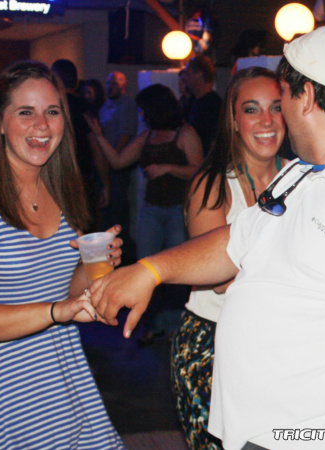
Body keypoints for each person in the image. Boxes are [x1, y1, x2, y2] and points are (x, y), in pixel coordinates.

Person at [88, 26, 325, 450]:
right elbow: (238, 240)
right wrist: (151, 270)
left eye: (283, 98)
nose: (279, 116)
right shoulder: (303, 173)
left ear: (305, 96)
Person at [0, 60, 125, 449]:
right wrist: (57, 312)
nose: (42, 125)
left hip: (54, 366)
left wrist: (96, 262)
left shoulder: (62, 186)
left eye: (52, 111)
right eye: (25, 112)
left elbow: (68, 292)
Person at [172, 66, 288, 450]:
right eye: (252, 109)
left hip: (283, 341)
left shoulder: (303, 179)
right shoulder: (213, 184)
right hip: (214, 343)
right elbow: (222, 279)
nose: (267, 120)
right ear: (234, 121)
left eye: (276, 107)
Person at [88, 83, 203, 341]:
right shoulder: (148, 135)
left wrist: (167, 168)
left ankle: (174, 326)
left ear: (156, 108)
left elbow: (199, 169)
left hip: (178, 210)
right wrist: (98, 135)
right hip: (151, 210)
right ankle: (152, 323)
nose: (142, 114)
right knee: (146, 268)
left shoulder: (185, 134)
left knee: (176, 270)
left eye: (144, 110)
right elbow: (118, 161)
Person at [51, 59, 109, 230]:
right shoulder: (85, 107)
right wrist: (105, 185)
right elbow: (96, 149)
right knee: (84, 232)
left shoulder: (50, 106)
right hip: (81, 179)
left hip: (54, 179)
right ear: (76, 82)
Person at [99, 71, 138, 260]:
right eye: (108, 83)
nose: (109, 87)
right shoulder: (106, 105)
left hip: (117, 165)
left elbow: (126, 134)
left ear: (123, 86)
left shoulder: (127, 105)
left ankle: (122, 255)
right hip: (104, 163)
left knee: (118, 209)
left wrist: (113, 157)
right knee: (106, 210)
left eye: (113, 83)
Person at [183, 55, 222, 155]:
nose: (184, 77)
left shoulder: (214, 105)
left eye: (187, 73)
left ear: (199, 75)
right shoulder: (191, 101)